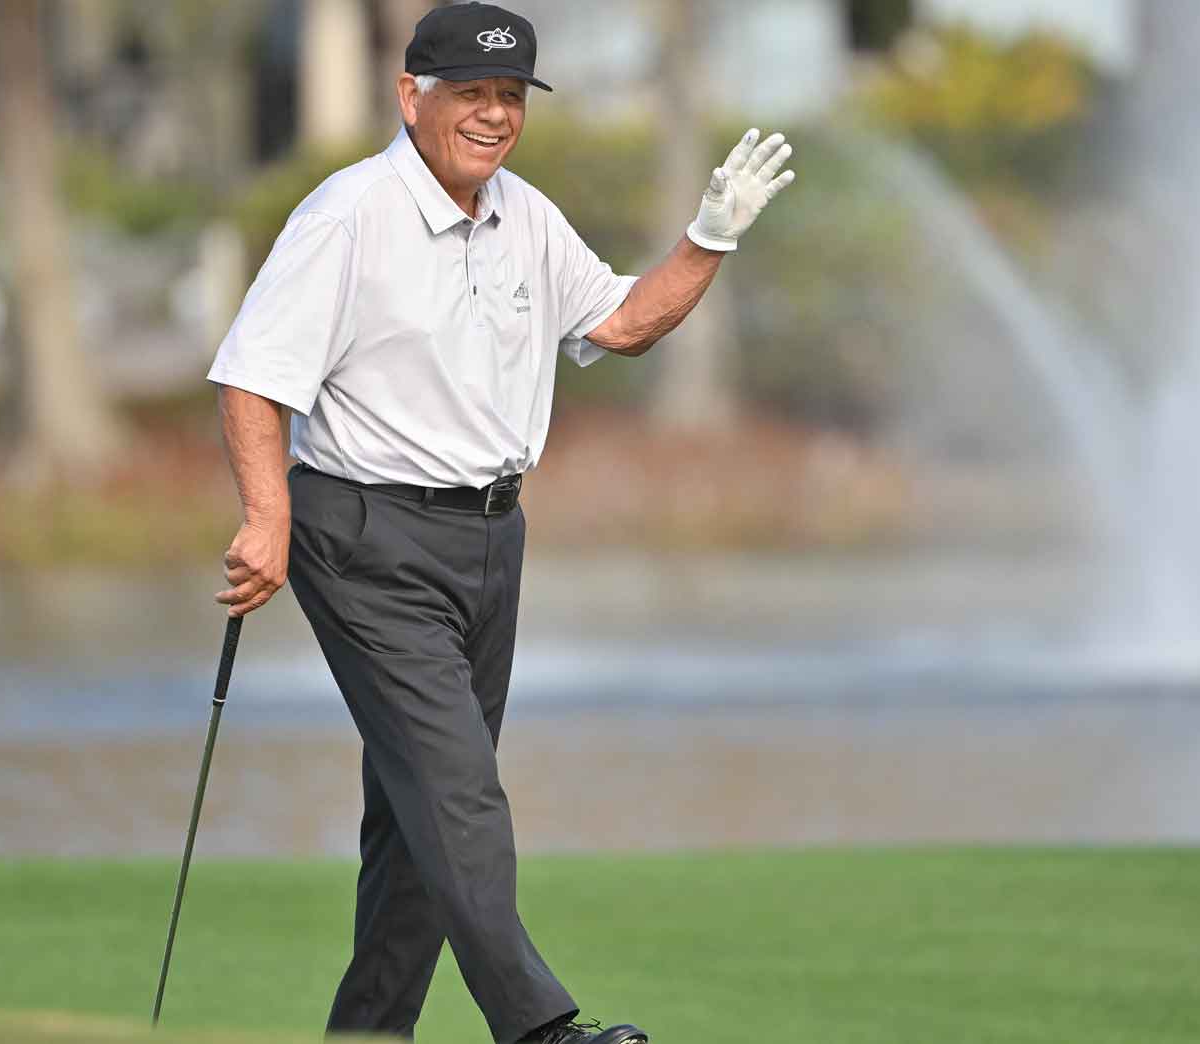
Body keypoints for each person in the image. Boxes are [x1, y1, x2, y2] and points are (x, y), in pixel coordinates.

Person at [206, 4, 794, 1042]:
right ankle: (539, 1029)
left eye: (509, 97)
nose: (491, 115)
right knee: (459, 793)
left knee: (416, 821)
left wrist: (708, 238)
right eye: (469, 93)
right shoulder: (347, 216)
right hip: (361, 536)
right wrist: (265, 517)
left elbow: (619, 322)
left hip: (488, 538)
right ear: (410, 96)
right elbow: (253, 380)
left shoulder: (522, 214)